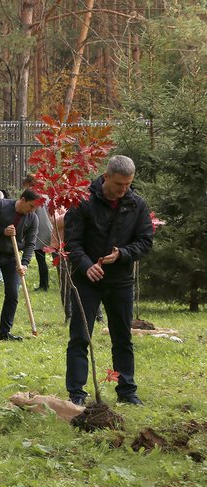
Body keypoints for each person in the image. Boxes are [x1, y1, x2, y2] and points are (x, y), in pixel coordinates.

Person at [64, 155, 153, 406]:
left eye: (127, 185)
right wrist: (86, 265)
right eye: (118, 185)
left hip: (120, 280)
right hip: (86, 280)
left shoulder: (137, 205)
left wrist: (122, 254)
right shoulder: (83, 202)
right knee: (80, 336)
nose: (123, 190)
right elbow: (72, 241)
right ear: (106, 178)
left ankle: (127, 390)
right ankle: (77, 393)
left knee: (122, 337)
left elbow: (145, 241)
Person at [0, 188, 41, 340]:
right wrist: (2, 231)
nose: (32, 210)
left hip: (12, 258)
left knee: (13, 294)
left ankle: (5, 332)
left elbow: (30, 243)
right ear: (23, 199)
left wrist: (25, 263)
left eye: (35, 208)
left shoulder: (32, 218)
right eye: (31, 206)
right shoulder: (0, 205)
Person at [22, 175, 52, 291]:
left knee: (41, 258)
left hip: (39, 230)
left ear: (30, 183)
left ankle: (44, 285)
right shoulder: (45, 195)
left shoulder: (33, 196)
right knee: (42, 258)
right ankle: (45, 284)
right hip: (47, 228)